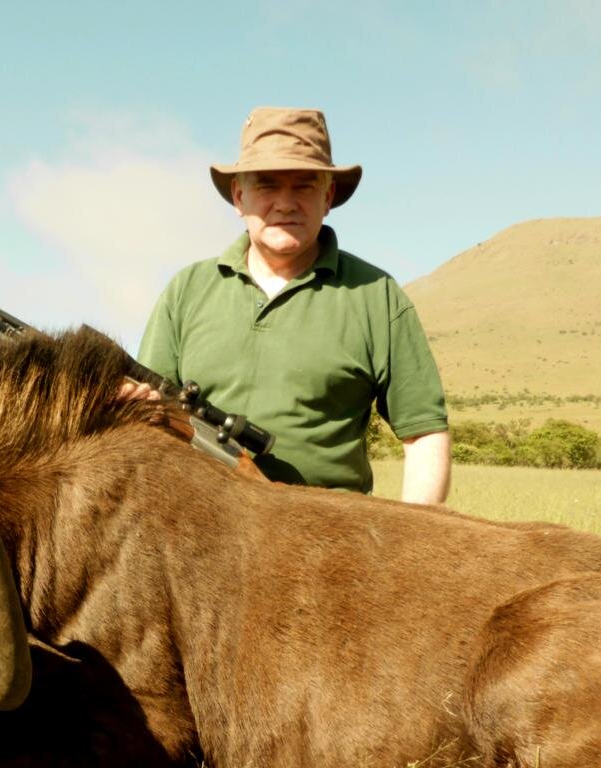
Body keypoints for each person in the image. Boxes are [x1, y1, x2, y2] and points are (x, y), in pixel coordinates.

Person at [134, 106, 451, 503]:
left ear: (328, 196)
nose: (285, 203)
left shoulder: (378, 296)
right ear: (239, 197)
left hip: (333, 545)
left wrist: (410, 548)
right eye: (266, 186)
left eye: (303, 185)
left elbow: (424, 436)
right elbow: (147, 415)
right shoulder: (187, 290)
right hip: (197, 535)